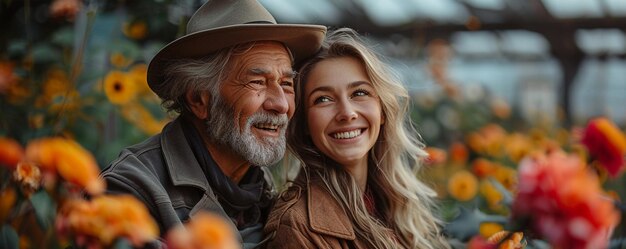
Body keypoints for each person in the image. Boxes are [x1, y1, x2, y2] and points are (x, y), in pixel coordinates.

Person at [100, 0, 326, 248]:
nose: (281, 104)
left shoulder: (266, 193)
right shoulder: (131, 190)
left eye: (285, 83)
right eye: (258, 82)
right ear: (198, 99)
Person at [263, 28, 450, 249]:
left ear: (382, 111)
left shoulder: (391, 202)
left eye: (359, 93)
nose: (347, 112)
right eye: (323, 99)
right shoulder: (296, 225)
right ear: (304, 123)